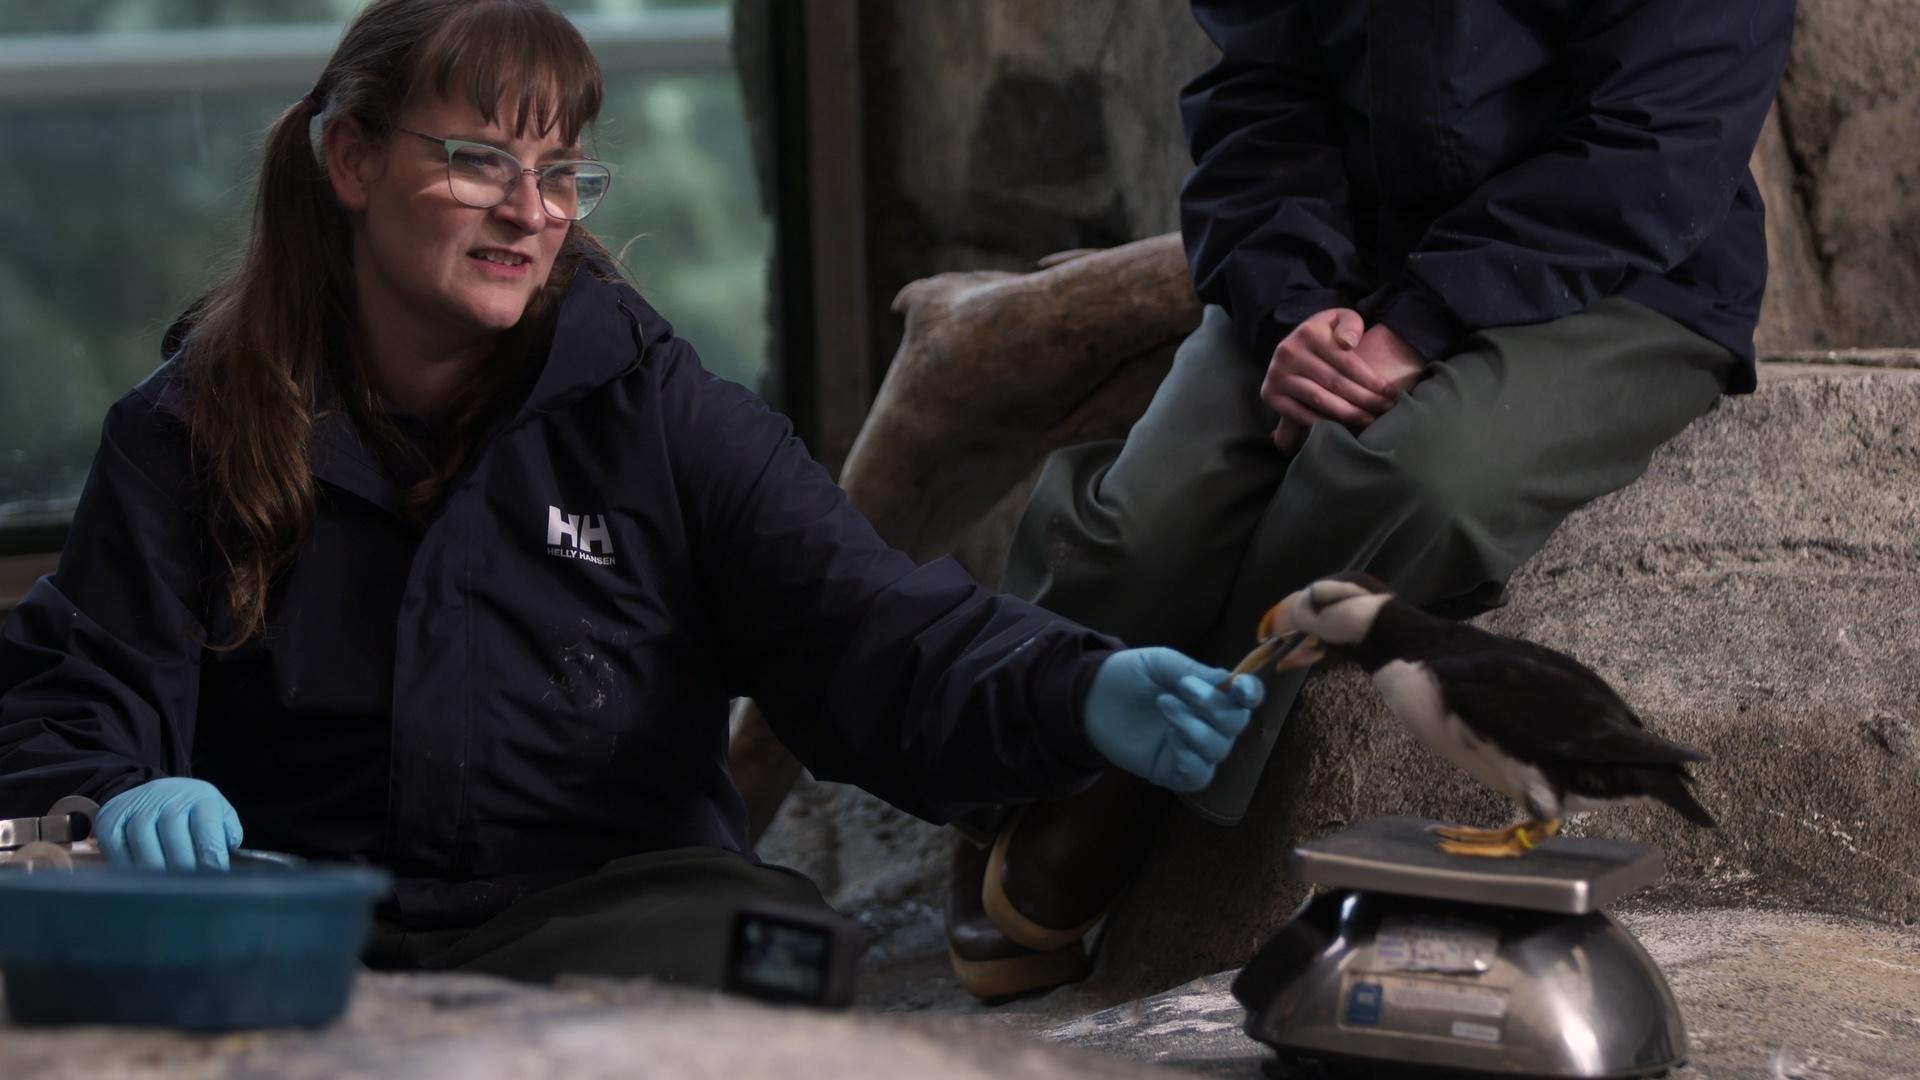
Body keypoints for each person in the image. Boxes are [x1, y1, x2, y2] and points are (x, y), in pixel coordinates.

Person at [0, 0, 1264, 990]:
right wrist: (115, 796)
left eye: (561, 173)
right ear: (350, 158)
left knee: (777, 949)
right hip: (305, 920)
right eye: (480, 160)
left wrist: (1071, 686)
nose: (529, 211)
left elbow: (868, 628)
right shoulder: (190, 431)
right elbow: (68, 698)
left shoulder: (657, 411)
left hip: (606, 919)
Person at [945, 0, 1797, 998]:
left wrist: (1420, 324)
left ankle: (1149, 770)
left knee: (1415, 477)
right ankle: (1012, 757)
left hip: (1622, 274)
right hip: (1344, 253)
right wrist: (1295, 304)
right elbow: (1258, 86)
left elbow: (1659, 134)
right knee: (1142, 523)